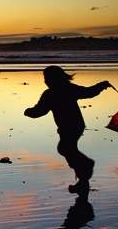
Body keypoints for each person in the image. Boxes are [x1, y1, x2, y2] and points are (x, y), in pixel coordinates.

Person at [24, 65, 110, 196]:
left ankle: (86, 166)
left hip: (71, 126)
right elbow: (89, 92)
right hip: (73, 126)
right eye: (45, 78)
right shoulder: (67, 89)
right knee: (67, 149)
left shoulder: (52, 94)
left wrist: (29, 112)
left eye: (47, 78)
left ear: (56, 78)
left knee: (66, 149)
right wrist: (101, 85)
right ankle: (82, 181)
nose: (46, 81)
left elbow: (40, 110)